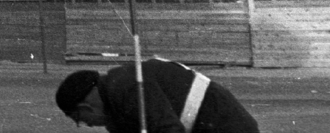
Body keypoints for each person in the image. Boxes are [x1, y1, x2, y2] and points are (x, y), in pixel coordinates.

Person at [55, 59, 260, 133]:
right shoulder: (115, 107)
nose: (88, 125)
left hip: (225, 124)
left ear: (86, 107)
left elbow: (168, 129)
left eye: (80, 120)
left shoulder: (126, 88)